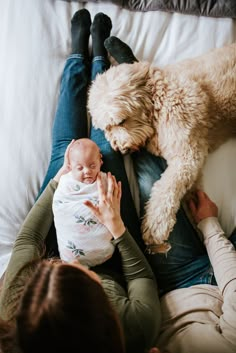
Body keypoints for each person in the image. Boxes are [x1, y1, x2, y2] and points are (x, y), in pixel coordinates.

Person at [0, 9, 161, 353]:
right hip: (112, 246)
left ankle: (78, 54)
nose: (74, 272)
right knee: (109, 150)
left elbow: (29, 238)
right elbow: (144, 278)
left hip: (57, 241)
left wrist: (60, 180)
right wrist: (116, 226)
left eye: (56, 274)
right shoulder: (134, 331)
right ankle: (100, 61)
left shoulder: (12, 308)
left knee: (66, 151)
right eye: (82, 282)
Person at [93, 36, 236, 353]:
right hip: (206, 278)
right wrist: (210, 225)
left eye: (117, 124)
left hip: (161, 291)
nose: (115, 139)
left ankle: (114, 65)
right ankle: (127, 66)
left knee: (130, 176)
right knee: (145, 171)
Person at [52, 138, 116, 267]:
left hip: (91, 254)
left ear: (100, 162)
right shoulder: (66, 183)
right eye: (80, 168)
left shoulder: (104, 180)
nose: (87, 171)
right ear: (70, 168)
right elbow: (60, 204)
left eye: (92, 166)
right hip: (74, 258)